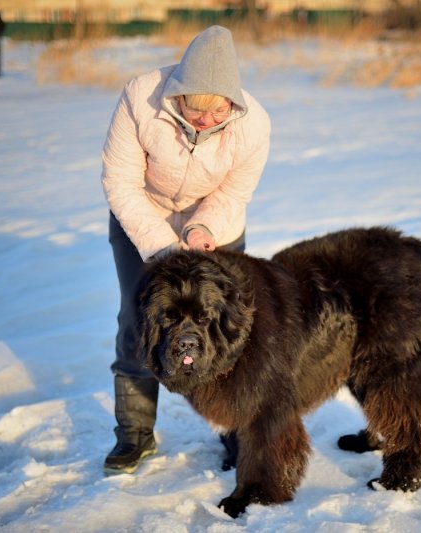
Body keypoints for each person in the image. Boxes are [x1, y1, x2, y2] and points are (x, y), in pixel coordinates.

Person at [100, 25, 271, 474]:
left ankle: (236, 430)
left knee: (229, 323)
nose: (204, 121)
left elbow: (235, 192)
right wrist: (160, 246)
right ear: (177, 92)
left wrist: (202, 228)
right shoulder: (140, 99)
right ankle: (134, 434)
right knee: (139, 320)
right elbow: (120, 183)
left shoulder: (253, 123)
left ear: (231, 101)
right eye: (194, 111)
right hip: (143, 220)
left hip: (216, 227)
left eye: (216, 114)